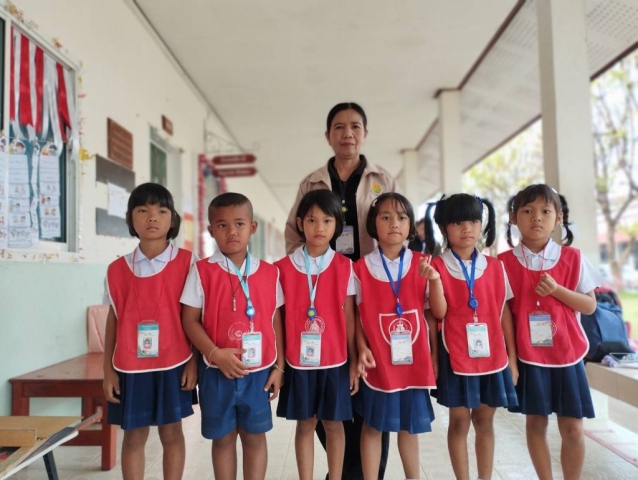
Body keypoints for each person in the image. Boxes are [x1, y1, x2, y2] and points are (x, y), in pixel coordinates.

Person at [285, 102, 398, 479]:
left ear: (365, 133)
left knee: (370, 385)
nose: (347, 133)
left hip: (374, 287)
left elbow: (399, 226)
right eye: (338, 127)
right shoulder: (312, 182)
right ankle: (346, 471)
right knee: (328, 394)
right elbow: (293, 231)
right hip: (324, 291)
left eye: (354, 126)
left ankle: (366, 474)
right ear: (328, 135)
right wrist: (307, 276)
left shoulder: (383, 178)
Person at [180, 192, 284, 480]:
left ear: (252, 227)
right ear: (211, 230)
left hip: (258, 373)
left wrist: (279, 367)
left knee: (254, 437)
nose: (232, 232)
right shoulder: (202, 271)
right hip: (216, 372)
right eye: (222, 225)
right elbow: (189, 320)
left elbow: (276, 321)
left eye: (239, 224)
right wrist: (214, 353)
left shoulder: (269, 273)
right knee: (223, 439)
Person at [499, 184, 599, 480]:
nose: (537, 218)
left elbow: (590, 306)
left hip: (567, 355)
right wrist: (511, 361)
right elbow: (505, 316)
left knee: (574, 429)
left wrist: (557, 290)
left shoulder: (574, 258)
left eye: (545, 211)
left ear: (558, 218)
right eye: (527, 211)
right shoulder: (503, 263)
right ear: (514, 218)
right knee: (536, 424)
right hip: (529, 356)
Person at [102, 182, 198, 480]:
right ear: (130, 218)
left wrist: (194, 362)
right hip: (130, 366)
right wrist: (108, 371)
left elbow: (197, 318)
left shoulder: (189, 263)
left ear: (173, 219)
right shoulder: (116, 269)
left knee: (172, 433)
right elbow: (113, 320)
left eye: (161, 211)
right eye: (142, 210)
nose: (152, 217)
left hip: (174, 363)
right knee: (133, 436)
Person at [425, 193, 519, 480]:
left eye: (473, 221)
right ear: (443, 227)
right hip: (454, 353)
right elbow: (436, 314)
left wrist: (512, 359)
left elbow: (503, 312)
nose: (467, 228)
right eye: (457, 222)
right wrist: (433, 357)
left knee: (485, 419)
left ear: (482, 224)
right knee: (459, 421)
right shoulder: (436, 266)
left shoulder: (496, 266)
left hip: (493, 355)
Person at [354, 192, 446, 480]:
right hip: (378, 360)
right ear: (373, 223)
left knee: (409, 427)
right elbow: (355, 316)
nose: (394, 223)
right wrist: (360, 348)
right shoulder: (360, 268)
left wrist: (435, 280)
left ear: (410, 225)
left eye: (402, 217)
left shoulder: (424, 263)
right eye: (386, 217)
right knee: (372, 426)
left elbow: (437, 313)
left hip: (413, 360)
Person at [275, 189, 359, 480]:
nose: (319, 227)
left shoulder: (345, 267)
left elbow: (349, 317)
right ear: (300, 223)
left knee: (334, 424)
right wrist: (280, 366)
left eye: (327, 220)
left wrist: (353, 362)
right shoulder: (282, 269)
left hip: (335, 361)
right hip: (298, 362)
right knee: (305, 424)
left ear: (337, 225)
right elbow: (277, 319)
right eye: (312, 220)